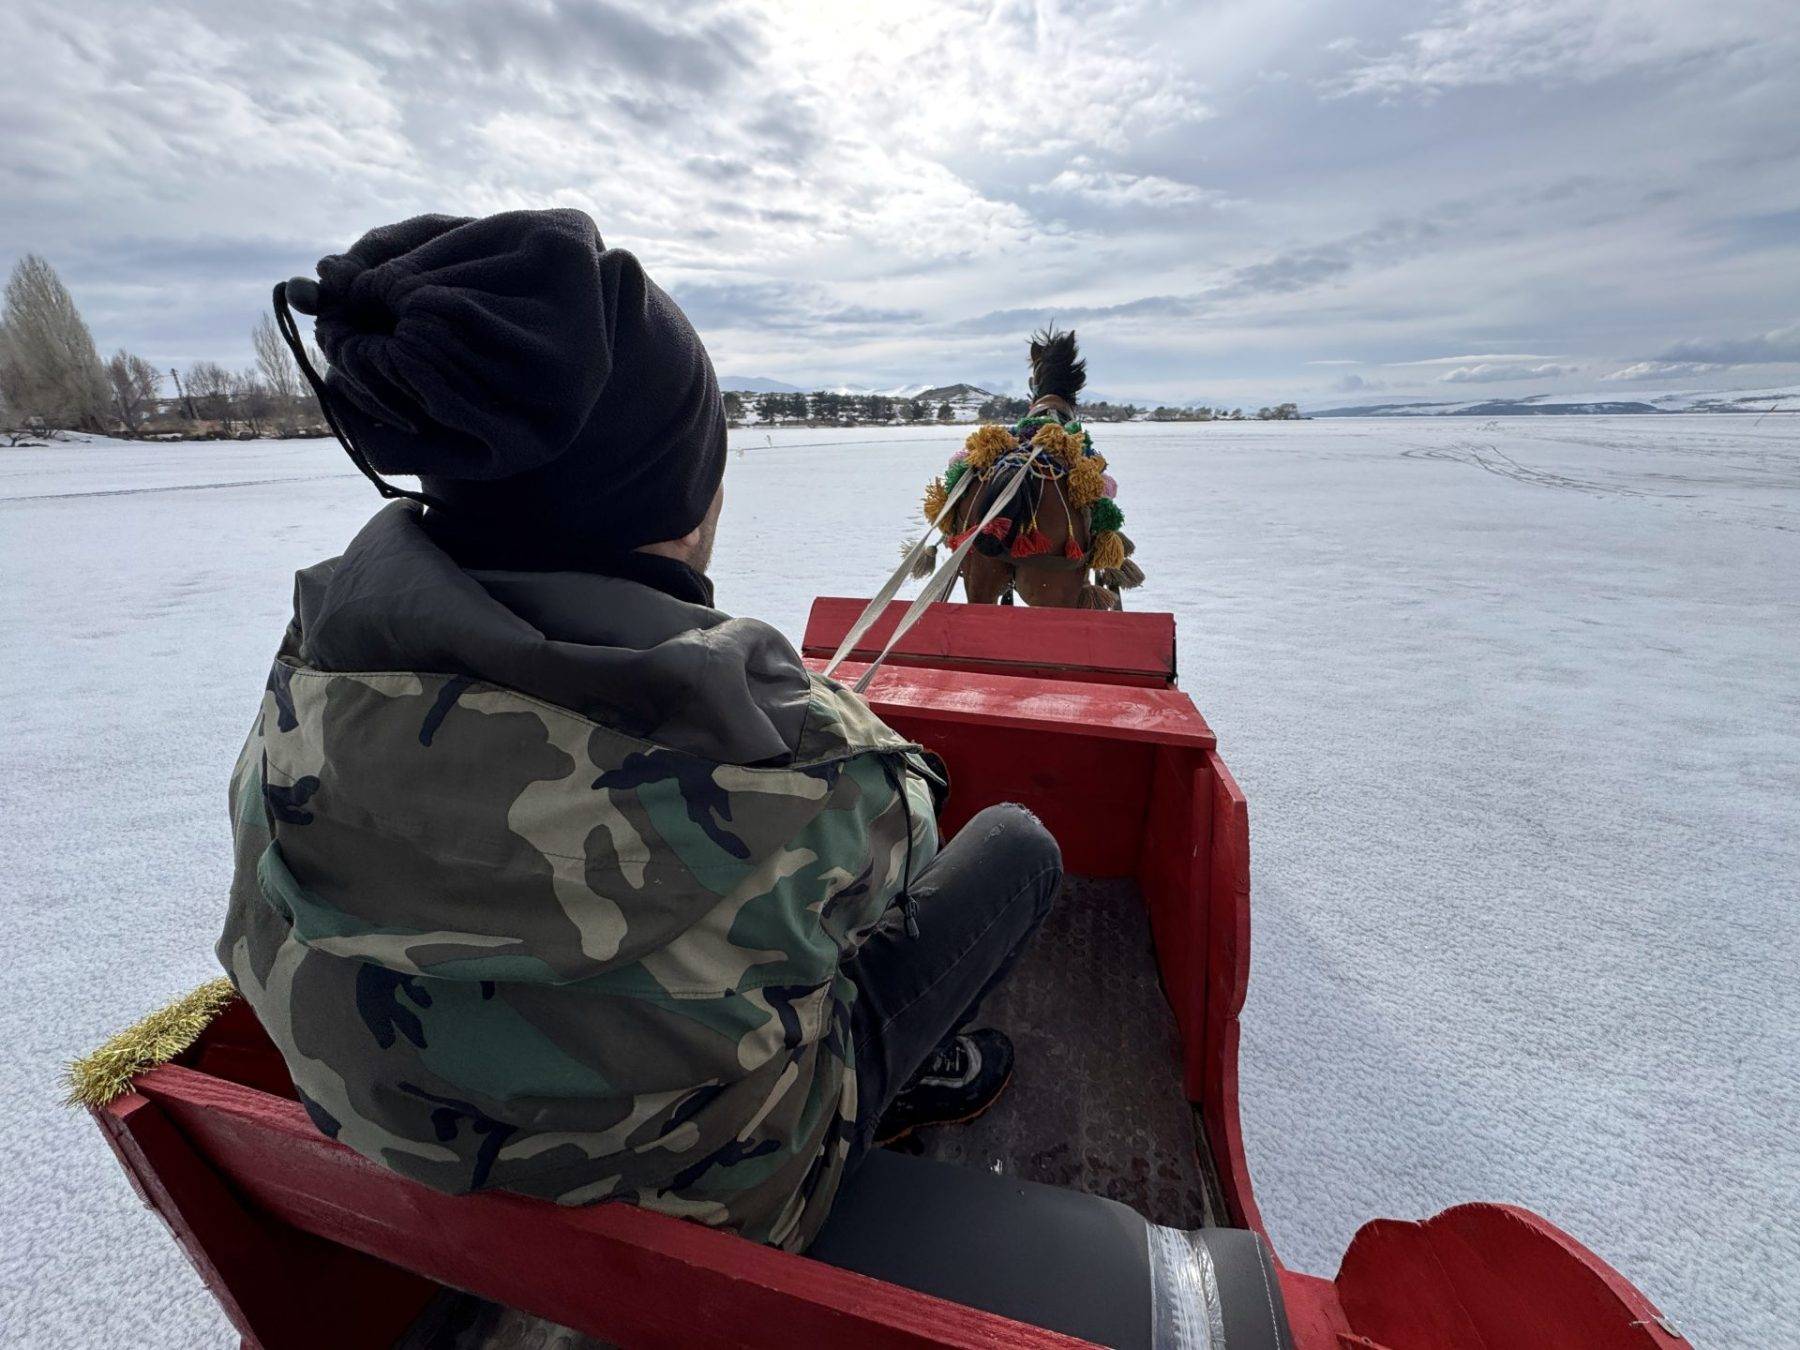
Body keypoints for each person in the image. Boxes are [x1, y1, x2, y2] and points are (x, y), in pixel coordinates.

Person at [217, 208, 1060, 1253]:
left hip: (412, 1149)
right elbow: (912, 832)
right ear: (680, 505)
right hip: (735, 1194)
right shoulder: (815, 775)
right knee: (1017, 847)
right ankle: (896, 1080)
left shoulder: (298, 701)